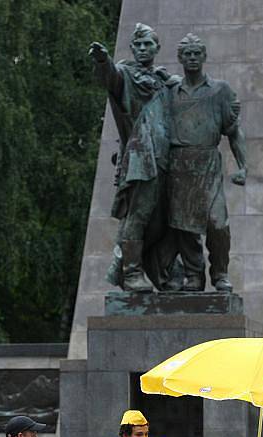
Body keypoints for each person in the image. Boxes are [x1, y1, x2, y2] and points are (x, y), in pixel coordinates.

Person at [89, 24, 201, 291]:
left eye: (147, 45)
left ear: (157, 49)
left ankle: (159, 272)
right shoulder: (126, 75)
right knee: (139, 217)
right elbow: (110, 78)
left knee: (163, 222)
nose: (141, 49)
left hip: (167, 159)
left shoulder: (166, 81)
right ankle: (130, 273)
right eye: (137, 45)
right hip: (143, 157)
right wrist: (103, 61)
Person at [165, 33, 247, 292]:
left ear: (204, 56)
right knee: (184, 227)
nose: (191, 58)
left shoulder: (219, 90)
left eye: (196, 53)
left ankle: (220, 272)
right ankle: (194, 275)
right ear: (180, 58)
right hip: (178, 164)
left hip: (208, 162)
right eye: (187, 54)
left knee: (218, 224)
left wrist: (243, 165)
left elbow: (233, 131)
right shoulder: (170, 92)